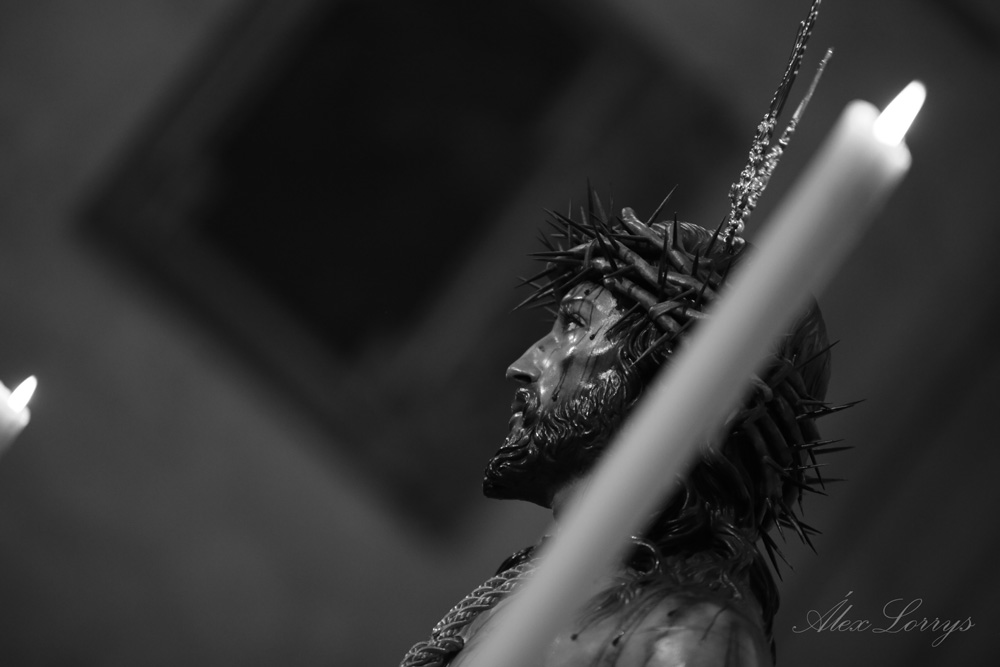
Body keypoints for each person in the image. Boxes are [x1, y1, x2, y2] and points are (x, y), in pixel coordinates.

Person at [400, 3, 840, 664]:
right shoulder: (543, 580)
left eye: (573, 327)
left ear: (674, 390)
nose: (525, 364)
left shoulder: (687, 637)